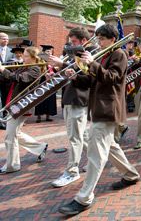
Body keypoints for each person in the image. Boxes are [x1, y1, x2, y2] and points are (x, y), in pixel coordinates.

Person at [59, 24, 139, 215]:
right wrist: (76, 77)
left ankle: (84, 197)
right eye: (98, 39)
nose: (99, 42)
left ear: (112, 39)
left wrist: (93, 64)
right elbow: (92, 81)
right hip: (99, 107)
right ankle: (130, 175)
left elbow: (113, 78)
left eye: (102, 39)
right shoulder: (104, 55)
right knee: (110, 146)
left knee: (96, 154)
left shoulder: (119, 54)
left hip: (108, 108)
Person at [48, 27, 92, 188]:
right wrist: (57, 72)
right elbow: (71, 75)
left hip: (79, 99)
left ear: (83, 41)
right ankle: (97, 157)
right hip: (69, 98)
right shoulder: (74, 55)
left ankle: (72, 172)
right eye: (70, 42)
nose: (71, 45)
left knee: (75, 137)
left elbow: (86, 77)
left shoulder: (88, 55)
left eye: (74, 42)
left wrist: (63, 64)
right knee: (80, 135)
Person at [0, 47, 48, 174]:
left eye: (26, 56)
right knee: (15, 133)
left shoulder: (35, 69)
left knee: (10, 135)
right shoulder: (24, 66)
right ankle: (40, 147)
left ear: (33, 57)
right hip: (14, 103)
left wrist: (3, 69)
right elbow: (9, 79)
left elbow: (19, 78)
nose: (23, 58)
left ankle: (12, 165)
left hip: (22, 105)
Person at [35, 45, 57, 122]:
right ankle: (39, 116)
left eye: (50, 51)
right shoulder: (39, 60)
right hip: (41, 82)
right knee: (40, 99)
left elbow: (56, 70)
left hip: (51, 82)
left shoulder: (53, 60)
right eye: (47, 51)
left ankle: (48, 115)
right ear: (43, 52)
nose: (49, 53)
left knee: (50, 99)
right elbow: (37, 71)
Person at [0, 32, 14, 130]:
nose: (6, 40)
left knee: (6, 99)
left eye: (7, 39)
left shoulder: (11, 51)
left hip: (6, 80)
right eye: (4, 38)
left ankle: (5, 119)